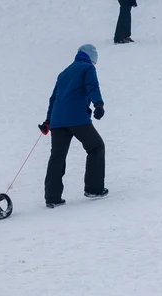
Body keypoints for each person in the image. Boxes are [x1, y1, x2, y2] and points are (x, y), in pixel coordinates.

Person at [38, 44, 108, 208]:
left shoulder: (64, 73)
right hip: (76, 118)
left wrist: (48, 121)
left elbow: (54, 99)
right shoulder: (87, 69)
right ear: (91, 58)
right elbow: (92, 87)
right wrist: (98, 104)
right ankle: (94, 189)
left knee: (57, 156)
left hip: (57, 121)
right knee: (96, 147)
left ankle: (52, 197)